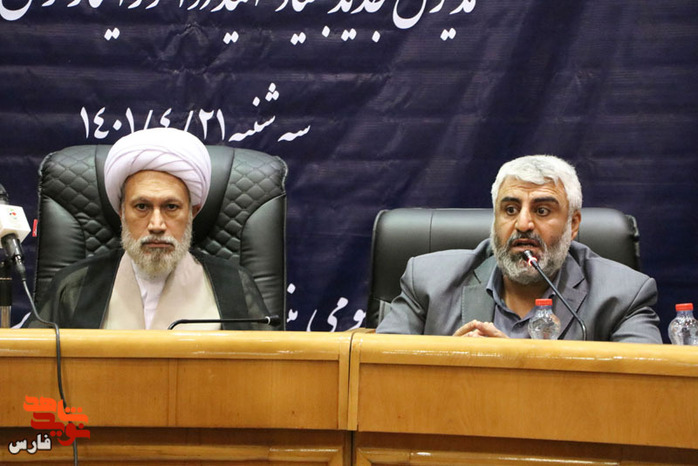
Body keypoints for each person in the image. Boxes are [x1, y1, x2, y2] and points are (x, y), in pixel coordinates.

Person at [377, 155, 661, 343]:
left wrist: (517, 367)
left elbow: (642, 395)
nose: (523, 224)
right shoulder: (427, 282)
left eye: (542, 210)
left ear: (573, 225)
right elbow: (378, 376)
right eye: (511, 209)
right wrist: (448, 364)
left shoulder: (623, 296)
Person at [25, 127, 272, 330]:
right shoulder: (73, 288)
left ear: (192, 213)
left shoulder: (234, 286)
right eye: (142, 206)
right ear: (122, 212)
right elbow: (34, 368)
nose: (156, 225)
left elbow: (265, 369)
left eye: (171, 207)